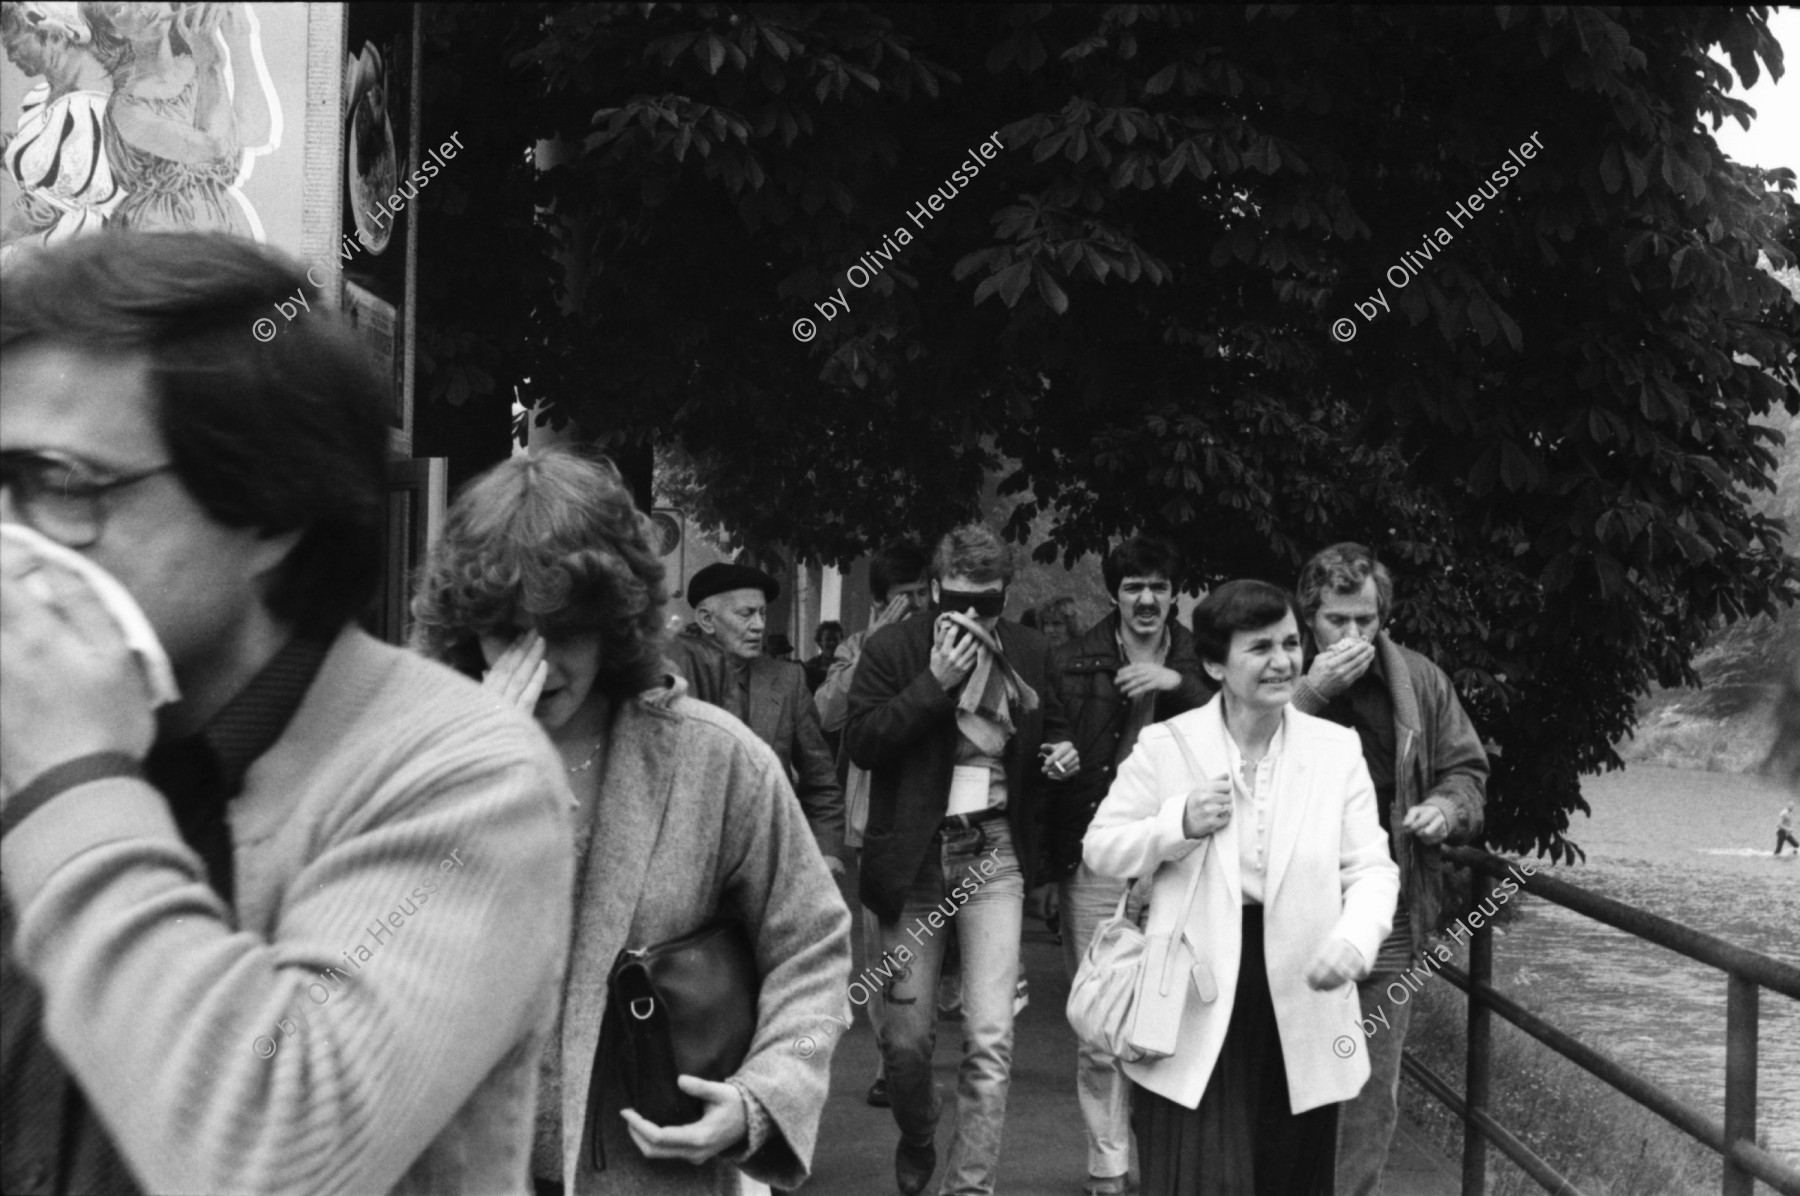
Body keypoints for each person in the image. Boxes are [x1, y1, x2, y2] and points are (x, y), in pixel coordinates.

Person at [0, 231, 573, 1194]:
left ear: (268, 510)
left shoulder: (464, 777)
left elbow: (273, 1158)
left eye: (60, 485)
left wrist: (72, 779)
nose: (13, 539)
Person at [411, 448, 852, 1196]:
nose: (539, 662)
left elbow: (811, 948)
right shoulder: (415, 764)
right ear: (466, 625)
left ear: (616, 622)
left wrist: (762, 1096)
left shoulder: (716, 760)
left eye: (565, 629)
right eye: (507, 630)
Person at [1083, 580, 1400, 1196]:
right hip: (1193, 996)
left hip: (1304, 988)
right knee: (1199, 1175)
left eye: (1289, 643)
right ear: (1213, 663)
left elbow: (1372, 868)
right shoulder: (1166, 747)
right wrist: (1177, 822)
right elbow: (1100, 847)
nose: (1283, 661)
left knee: (1292, 1173)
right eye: (1260, 648)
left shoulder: (1336, 750)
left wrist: (1355, 940)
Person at [846, 522, 1077, 1196]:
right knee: (907, 1043)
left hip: (992, 854)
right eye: (958, 603)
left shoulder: (1030, 653)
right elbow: (862, 742)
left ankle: (969, 1185)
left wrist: (1059, 756)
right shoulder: (893, 648)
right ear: (936, 592)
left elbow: (1054, 731)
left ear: (1005, 593)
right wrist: (934, 683)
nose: (973, 618)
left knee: (990, 1036)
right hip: (914, 865)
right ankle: (920, 1136)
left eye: (988, 604)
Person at [1287, 543, 1488, 1196]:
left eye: (1365, 622)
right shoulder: (1272, 669)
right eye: (1336, 621)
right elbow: (1231, 760)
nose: (1352, 636)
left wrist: (1443, 807)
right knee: (1280, 1082)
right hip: (1283, 912)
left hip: (1387, 916)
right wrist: (1311, 690)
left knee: (1369, 1087)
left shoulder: (1420, 681)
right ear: (1307, 615)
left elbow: (1467, 771)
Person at [1043, 535, 1214, 1196]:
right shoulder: (1071, 659)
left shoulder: (1203, 660)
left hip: (1187, 853)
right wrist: (1057, 754)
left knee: (1177, 1015)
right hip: (1102, 852)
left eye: (1160, 585)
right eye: (1135, 584)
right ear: (1115, 591)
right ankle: (1108, 1164)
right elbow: (1053, 738)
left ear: (1175, 594)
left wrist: (1175, 684)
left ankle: (1168, 1159)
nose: (1147, 597)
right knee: (1103, 1015)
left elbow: (1241, 723)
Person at [813, 539, 932, 1109]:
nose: (915, 606)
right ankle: (894, 1062)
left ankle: (924, 1040)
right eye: (902, 598)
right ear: (879, 603)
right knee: (887, 953)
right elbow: (826, 713)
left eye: (921, 593)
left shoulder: (950, 643)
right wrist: (873, 649)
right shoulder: (857, 648)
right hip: (877, 822)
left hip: (946, 820)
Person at [671, 562, 845, 873]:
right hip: (688, 869)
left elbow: (820, 782)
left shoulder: (788, 680)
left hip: (771, 869)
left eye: (762, 614)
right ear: (706, 619)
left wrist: (828, 851)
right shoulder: (672, 684)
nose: (759, 625)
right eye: (746, 614)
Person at [0, 2, 125, 270]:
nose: (10, 57)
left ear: (55, 37)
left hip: (73, 252)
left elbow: (43, 208)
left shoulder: (86, 106)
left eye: (14, 45)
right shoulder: (51, 95)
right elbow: (41, 156)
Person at [803, 620, 844, 694]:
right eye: (828, 639)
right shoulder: (808, 668)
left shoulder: (847, 667)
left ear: (841, 641)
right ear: (820, 642)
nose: (832, 643)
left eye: (835, 639)